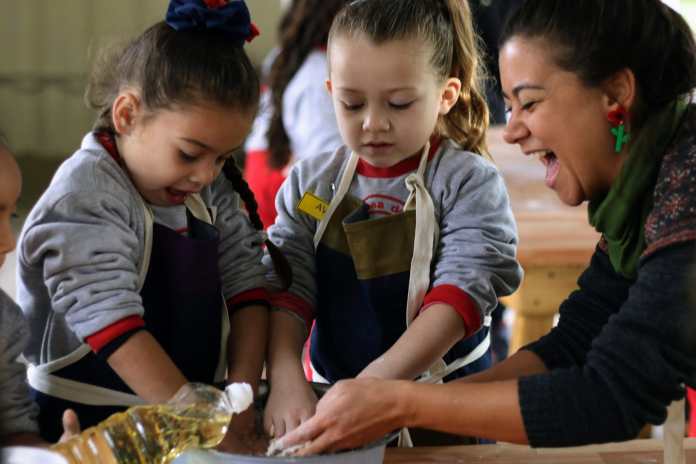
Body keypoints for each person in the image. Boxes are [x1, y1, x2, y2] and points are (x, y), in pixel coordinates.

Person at [275, 0, 696, 453]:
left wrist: (400, 403)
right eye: (509, 106)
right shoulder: (645, 198)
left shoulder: (685, 203)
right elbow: (573, 345)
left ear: (615, 95)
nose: (511, 131)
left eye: (529, 103)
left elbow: (606, 397)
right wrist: (402, 402)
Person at [16, 0, 280, 451]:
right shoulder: (84, 197)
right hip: (85, 428)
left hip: (186, 422)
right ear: (127, 115)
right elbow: (114, 327)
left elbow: (249, 290)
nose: (205, 174)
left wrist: (240, 402)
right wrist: (201, 423)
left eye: (222, 157)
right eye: (189, 153)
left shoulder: (210, 191)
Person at [263, 0, 522, 442]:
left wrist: (375, 388)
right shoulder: (314, 186)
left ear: (446, 94)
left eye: (399, 103)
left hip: (445, 411)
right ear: (331, 93)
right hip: (334, 402)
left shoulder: (466, 184)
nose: (373, 123)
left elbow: (461, 291)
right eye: (352, 103)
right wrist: (286, 373)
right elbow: (290, 279)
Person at [0, 135, 79, 447]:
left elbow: (14, 431)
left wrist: (53, 454)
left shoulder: (5, 323)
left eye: (11, 216)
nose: (8, 242)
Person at [244, 0, 346, 229]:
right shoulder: (318, 78)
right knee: (339, 220)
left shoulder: (285, 54)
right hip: (284, 201)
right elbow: (329, 167)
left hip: (268, 188)